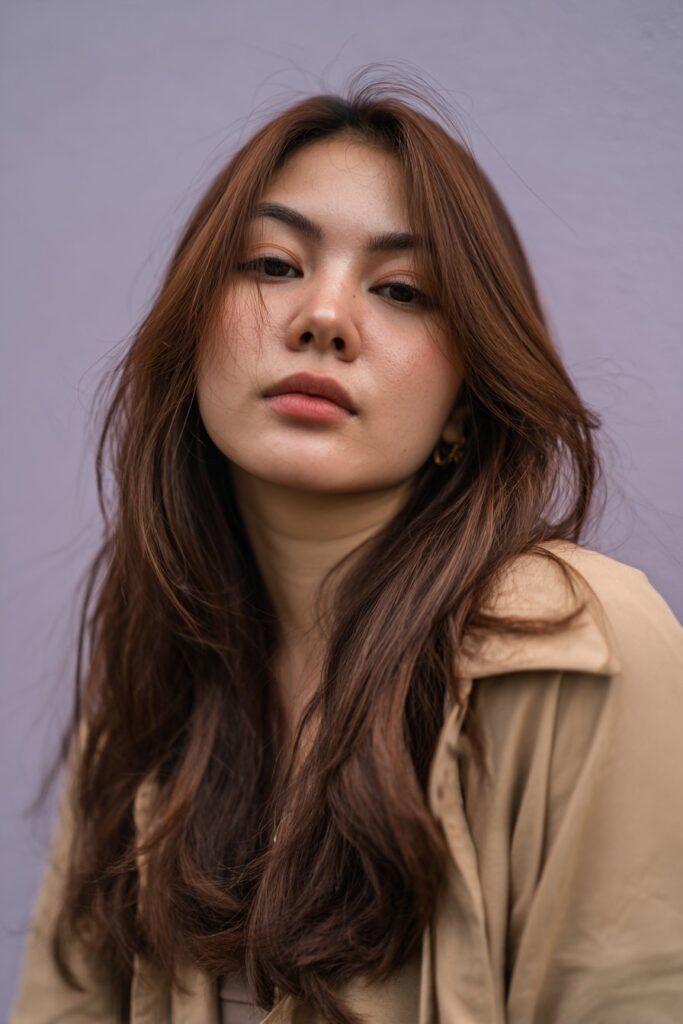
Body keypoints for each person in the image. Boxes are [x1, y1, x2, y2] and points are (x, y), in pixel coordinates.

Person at [10, 70, 683, 1024]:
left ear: (466, 400)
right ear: (193, 337)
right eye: (274, 265)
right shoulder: (148, 692)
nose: (322, 316)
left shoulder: (584, 649)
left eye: (402, 289)